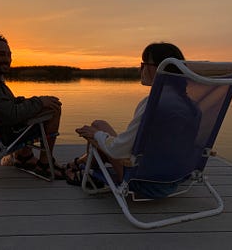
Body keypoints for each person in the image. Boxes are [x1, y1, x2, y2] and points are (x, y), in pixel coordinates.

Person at [67, 42, 192, 197]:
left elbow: (118, 150)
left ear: (161, 69)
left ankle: (82, 171)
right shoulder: (190, 105)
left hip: (142, 182)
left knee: (97, 129)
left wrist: (95, 135)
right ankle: (79, 164)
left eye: (144, 64)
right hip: (172, 179)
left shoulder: (153, 104)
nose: (141, 69)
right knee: (100, 126)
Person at [0, 34, 65, 179]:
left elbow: (5, 105)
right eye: (1, 54)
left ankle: (24, 157)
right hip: (3, 134)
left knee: (33, 106)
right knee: (53, 109)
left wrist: (30, 101)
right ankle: (45, 164)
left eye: (9, 55)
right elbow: (11, 115)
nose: (7, 59)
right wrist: (40, 102)